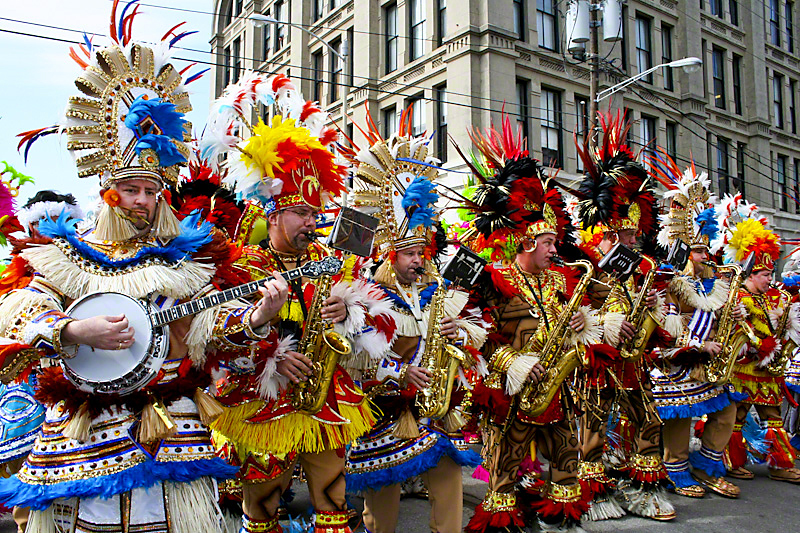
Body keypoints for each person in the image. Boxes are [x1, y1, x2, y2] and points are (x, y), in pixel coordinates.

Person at [0, 19, 283, 532]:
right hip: (87, 428)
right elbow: (20, 320)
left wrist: (261, 314)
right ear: (110, 191)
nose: (144, 202)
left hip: (172, 420)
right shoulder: (69, 253)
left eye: (151, 192)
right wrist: (72, 330)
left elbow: (210, 330)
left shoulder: (183, 260)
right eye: (132, 190)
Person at [200, 72, 397, 533]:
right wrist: (267, 346)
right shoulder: (242, 264)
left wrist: (347, 310)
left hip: (327, 397)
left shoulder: (330, 258)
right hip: (262, 401)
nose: (312, 221)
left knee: (334, 505)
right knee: (263, 512)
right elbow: (215, 336)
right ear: (273, 213)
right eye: (302, 213)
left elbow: (371, 315)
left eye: (314, 212)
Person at [457, 119, 601, 533]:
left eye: (556, 243)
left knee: (566, 457)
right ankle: (504, 518)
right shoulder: (496, 279)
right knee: (504, 469)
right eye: (549, 244)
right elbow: (478, 338)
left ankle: (563, 515)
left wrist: (581, 322)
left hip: (558, 385)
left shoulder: (562, 279)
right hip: (513, 392)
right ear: (525, 244)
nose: (556, 250)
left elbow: (588, 317)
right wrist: (513, 363)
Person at [343, 119, 486, 533]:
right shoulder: (367, 293)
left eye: (421, 252)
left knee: (448, 475)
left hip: (434, 411)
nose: (418, 260)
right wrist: (400, 372)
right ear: (389, 255)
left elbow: (471, 327)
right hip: (385, 411)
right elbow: (354, 359)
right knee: (382, 498)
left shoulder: (434, 289)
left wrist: (461, 333)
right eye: (408, 254)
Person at [570, 114, 674, 521]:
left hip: (633, 363)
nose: (635, 242)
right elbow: (570, 313)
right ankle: (594, 492)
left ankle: (642, 487)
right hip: (594, 364)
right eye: (627, 237)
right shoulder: (581, 263)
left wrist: (653, 312)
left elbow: (661, 311)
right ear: (609, 234)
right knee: (592, 428)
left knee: (648, 419)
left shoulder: (641, 266)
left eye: (635, 235)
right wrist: (605, 324)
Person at [649, 158, 747, 499]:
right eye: (698, 251)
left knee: (726, 409)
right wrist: (696, 345)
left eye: (707, 249)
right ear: (685, 252)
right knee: (679, 416)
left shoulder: (713, 282)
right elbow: (664, 323)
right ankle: (675, 468)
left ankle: (705, 465)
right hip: (677, 359)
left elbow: (715, 317)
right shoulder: (670, 280)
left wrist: (732, 316)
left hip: (709, 360)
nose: (705, 255)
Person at [715, 197, 800, 483]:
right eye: (764, 274)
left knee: (773, 416)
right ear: (751, 274)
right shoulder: (739, 297)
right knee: (737, 416)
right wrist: (755, 346)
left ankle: (779, 464)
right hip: (744, 367)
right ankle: (730, 461)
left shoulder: (774, 296)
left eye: (770, 273)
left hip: (769, 369)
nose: (769, 278)